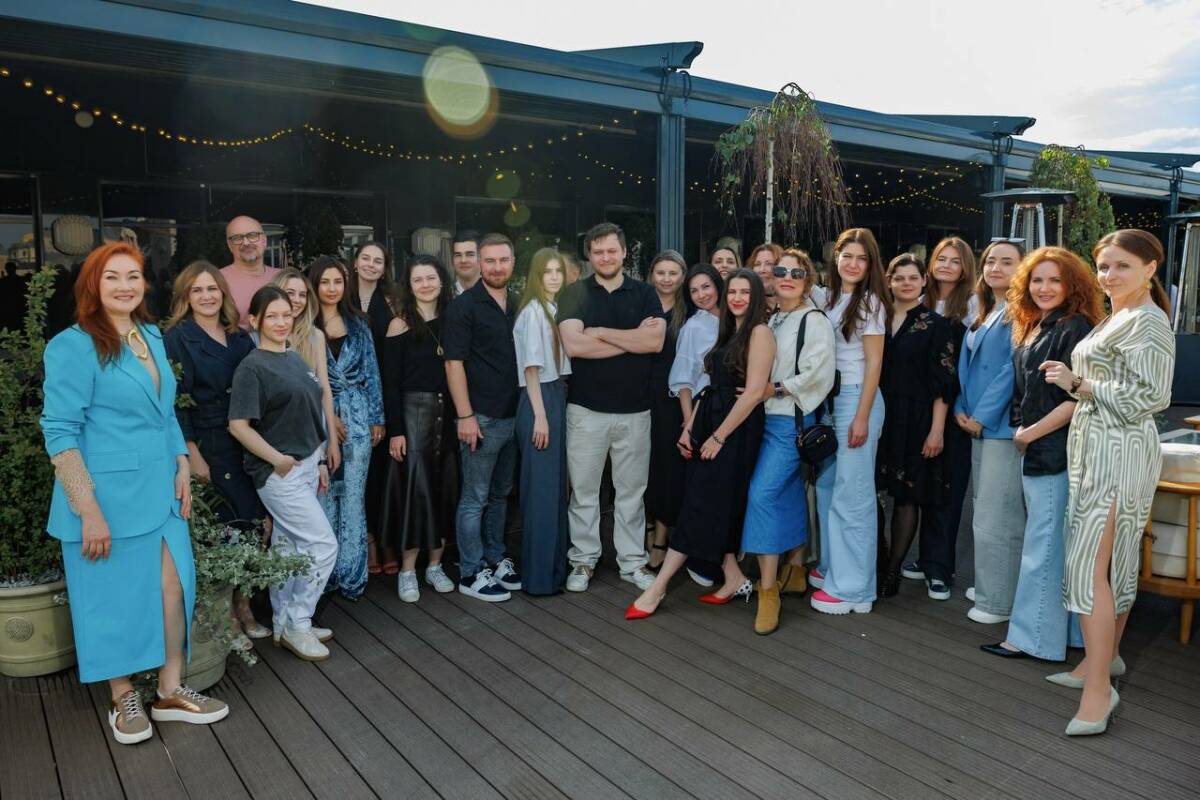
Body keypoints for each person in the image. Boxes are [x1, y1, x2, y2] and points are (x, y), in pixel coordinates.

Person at [41, 242, 228, 746]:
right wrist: (88, 510)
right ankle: (122, 694)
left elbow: (164, 413)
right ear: (92, 285)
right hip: (104, 499)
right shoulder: (72, 346)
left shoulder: (149, 334)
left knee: (173, 586)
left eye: (133, 276)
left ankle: (169, 690)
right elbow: (60, 433)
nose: (125, 286)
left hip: (160, 489)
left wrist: (181, 461)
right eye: (112, 277)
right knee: (111, 598)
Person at [1041, 230, 1175, 736]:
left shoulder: (1148, 322)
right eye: (1103, 266)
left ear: (1150, 269)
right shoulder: (1120, 315)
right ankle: (1103, 661)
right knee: (1109, 563)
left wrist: (1078, 382)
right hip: (1099, 449)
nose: (1109, 275)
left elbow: (1152, 396)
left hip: (1119, 452)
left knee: (1090, 567)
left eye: (1122, 266)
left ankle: (1099, 691)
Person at [627, 269, 772, 619]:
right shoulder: (728, 329)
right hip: (711, 419)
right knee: (705, 502)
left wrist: (719, 437)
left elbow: (754, 392)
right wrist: (690, 426)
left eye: (744, 292)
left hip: (735, 430)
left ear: (755, 296)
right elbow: (707, 386)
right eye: (733, 292)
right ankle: (734, 578)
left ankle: (657, 589)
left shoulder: (760, 332)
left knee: (699, 504)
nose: (737, 298)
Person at [980, 246, 1102, 663]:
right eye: (1037, 279)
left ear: (1073, 285)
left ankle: (1030, 640)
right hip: (1038, 447)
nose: (1044, 287)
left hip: (1054, 451)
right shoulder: (1037, 325)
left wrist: (1028, 434)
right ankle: (1067, 637)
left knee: (1043, 547)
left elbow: (1077, 398)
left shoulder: (1076, 326)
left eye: (1054, 280)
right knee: (1053, 544)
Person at [229, 286, 336, 661]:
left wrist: (319, 460)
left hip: (306, 464)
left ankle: (284, 620)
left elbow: (307, 412)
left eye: (286, 315)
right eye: (271, 316)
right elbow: (238, 425)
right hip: (280, 472)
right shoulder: (252, 366)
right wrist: (277, 459)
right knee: (323, 545)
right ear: (254, 321)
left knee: (289, 547)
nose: (280, 322)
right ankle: (299, 623)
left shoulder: (293, 357)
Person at [558, 222, 666, 593]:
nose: (605, 257)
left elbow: (654, 342)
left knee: (631, 493)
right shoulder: (574, 293)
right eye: (598, 251)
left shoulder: (645, 293)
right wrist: (631, 340)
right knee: (584, 492)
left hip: (635, 411)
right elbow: (574, 346)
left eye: (611, 250)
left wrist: (600, 332)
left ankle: (632, 563)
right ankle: (583, 560)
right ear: (590, 255)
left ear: (623, 252)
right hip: (586, 411)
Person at [163, 261, 266, 644]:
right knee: (224, 528)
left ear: (223, 293)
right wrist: (191, 451)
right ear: (186, 297)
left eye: (212, 289)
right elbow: (175, 402)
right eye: (197, 290)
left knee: (253, 523)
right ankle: (227, 615)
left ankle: (245, 603)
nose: (206, 296)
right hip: (207, 441)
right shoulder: (177, 338)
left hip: (246, 440)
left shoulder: (239, 337)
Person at [742, 250, 836, 634]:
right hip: (764, 419)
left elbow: (820, 373)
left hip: (789, 420)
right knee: (789, 492)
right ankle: (795, 569)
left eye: (797, 273)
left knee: (762, 495)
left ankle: (768, 590)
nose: (787, 277)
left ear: (808, 281)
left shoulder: (814, 319)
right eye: (781, 270)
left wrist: (775, 388)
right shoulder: (773, 317)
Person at [810, 228, 891, 615]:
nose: (853, 264)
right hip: (831, 399)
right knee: (830, 489)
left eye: (862, 258)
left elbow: (875, 364)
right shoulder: (827, 297)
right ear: (836, 257)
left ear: (871, 264)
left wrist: (861, 416)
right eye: (847, 256)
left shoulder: (871, 302)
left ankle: (855, 590)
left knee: (853, 497)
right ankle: (835, 570)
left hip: (858, 399)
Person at [443, 233, 523, 601]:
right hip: (481, 418)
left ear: (513, 262)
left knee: (500, 494)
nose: (496, 267)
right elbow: (453, 364)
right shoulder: (464, 307)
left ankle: (495, 557)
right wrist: (465, 415)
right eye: (489, 260)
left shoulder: (519, 303)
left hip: (513, 416)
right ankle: (471, 571)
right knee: (474, 497)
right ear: (479, 263)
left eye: (503, 260)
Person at [874, 253, 957, 600]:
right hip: (878, 414)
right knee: (870, 491)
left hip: (917, 419)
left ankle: (893, 570)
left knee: (907, 496)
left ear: (924, 281)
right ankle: (878, 558)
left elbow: (945, 384)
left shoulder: (937, 325)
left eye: (913, 278)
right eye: (899, 277)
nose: (906, 283)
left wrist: (936, 430)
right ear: (889, 281)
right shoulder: (875, 317)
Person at [378, 255, 459, 602]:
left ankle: (435, 566)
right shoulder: (399, 324)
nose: (425, 285)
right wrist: (396, 430)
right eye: (418, 280)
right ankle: (408, 570)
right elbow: (390, 383)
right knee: (415, 492)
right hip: (412, 416)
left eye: (431, 278)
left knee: (444, 490)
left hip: (449, 415)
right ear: (409, 286)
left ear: (441, 280)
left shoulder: (454, 319)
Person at [902, 236, 978, 591]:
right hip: (919, 405)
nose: (946, 265)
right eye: (941, 259)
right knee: (921, 484)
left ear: (965, 268)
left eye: (955, 260)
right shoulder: (919, 299)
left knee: (949, 486)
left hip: (956, 406)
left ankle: (940, 567)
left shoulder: (974, 305)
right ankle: (925, 556)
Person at [307, 256, 384, 601]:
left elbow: (373, 372)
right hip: (317, 420)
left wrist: (377, 418)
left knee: (352, 496)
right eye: (324, 282)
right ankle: (324, 575)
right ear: (314, 285)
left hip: (357, 417)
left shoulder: (359, 324)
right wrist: (327, 416)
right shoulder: (303, 325)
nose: (331, 288)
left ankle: (351, 574)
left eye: (337, 281)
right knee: (323, 495)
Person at [956, 239, 1025, 624]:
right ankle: (990, 586)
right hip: (977, 424)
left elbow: (1010, 371)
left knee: (999, 516)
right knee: (983, 508)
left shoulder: (1022, 311)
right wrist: (961, 408)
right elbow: (968, 368)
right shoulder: (985, 308)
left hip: (999, 426)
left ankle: (998, 600)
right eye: (990, 261)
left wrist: (981, 416)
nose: (996, 268)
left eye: (1007, 262)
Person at [513, 248, 573, 594]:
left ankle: (553, 573)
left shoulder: (553, 309)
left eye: (558, 271)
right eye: (546, 271)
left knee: (553, 491)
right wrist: (540, 416)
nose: (553, 277)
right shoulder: (533, 312)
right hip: (540, 399)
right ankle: (538, 578)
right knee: (541, 492)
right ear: (535, 276)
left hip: (554, 396)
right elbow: (531, 369)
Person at [666, 263, 727, 586]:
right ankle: (700, 561)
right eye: (694, 291)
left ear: (718, 285)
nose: (702, 295)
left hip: (738, 413)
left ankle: (724, 560)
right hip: (705, 414)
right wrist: (689, 425)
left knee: (728, 491)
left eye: (706, 286)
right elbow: (683, 381)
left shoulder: (737, 316)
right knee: (703, 492)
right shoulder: (694, 327)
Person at [351, 242, 398, 576]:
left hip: (385, 392)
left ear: (384, 269)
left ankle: (386, 539)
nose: (370, 264)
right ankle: (366, 541)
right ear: (355, 263)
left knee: (383, 473)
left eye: (377, 260)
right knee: (358, 475)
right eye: (365, 258)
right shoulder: (340, 297)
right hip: (352, 398)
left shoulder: (393, 301)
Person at [269, 268, 341, 476]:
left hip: (312, 436)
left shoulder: (315, 336)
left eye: (302, 295)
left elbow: (324, 389)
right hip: (274, 438)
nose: (297, 300)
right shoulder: (257, 337)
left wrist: (332, 441)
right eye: (290, 293)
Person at [645, 250, 689, 569]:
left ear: (682, 276)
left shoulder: (689, 313)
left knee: (667, 470)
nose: (666, 278)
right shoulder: (641, 305)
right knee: (641, 468)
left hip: (673, 401)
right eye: (660, 272)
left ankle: (661, 538)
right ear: (652, 275)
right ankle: (646, 527)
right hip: (639, 395)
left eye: (673, 273)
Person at [220, 216, 279, 327]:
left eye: (252, 235)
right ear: (229, 245)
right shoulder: (217, 280)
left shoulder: (283, 277)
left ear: (264, 240)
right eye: (237, 238)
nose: (246, 243)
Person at [747, 243, 782, 312]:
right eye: (757, 264)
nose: (761, 270)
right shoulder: (747, 304)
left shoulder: (796, 304)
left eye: (769, 264)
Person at [451, 230, 481, 296]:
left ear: (481, 257)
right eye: (458, 255)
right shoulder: (444, 295)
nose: (463, 260)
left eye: (470, 254)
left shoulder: (495, 293)